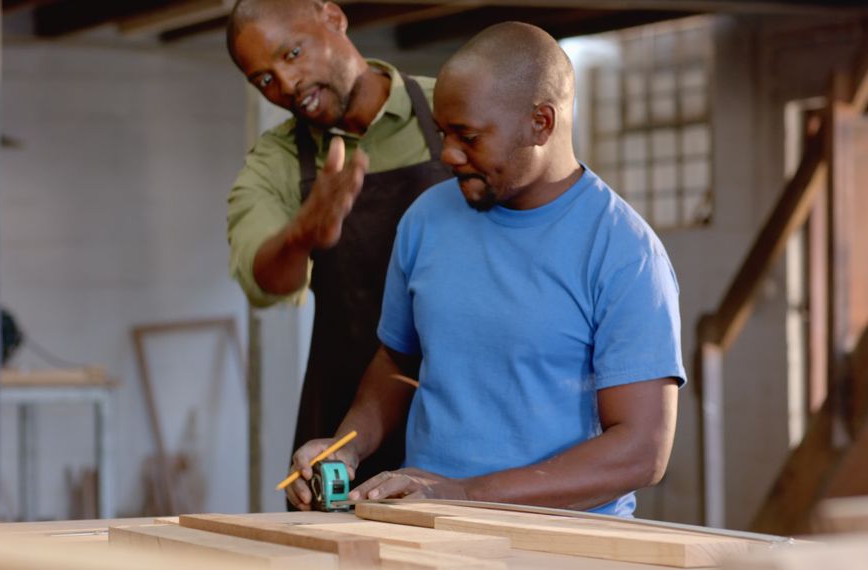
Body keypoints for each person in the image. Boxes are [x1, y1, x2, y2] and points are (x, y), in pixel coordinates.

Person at [285, 21, 685, 516]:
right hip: (430, 529)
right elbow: (397, 366)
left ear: (541, 122)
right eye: (442, 133)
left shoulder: (623, 251)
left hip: (565, 547)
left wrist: (464, 493)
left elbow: (642, 451)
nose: (449, 154)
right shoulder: (426, 220)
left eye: (469, 137)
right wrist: (346, 447)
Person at [225, 0, 451, 490]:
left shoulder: (453, 109)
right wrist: (302, 233)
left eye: (291, 54)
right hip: (344, 436)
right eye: (263, 80)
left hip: (460, 425)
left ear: (333, 17)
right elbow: (265, 282)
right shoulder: (278, 161)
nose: (284, 86)